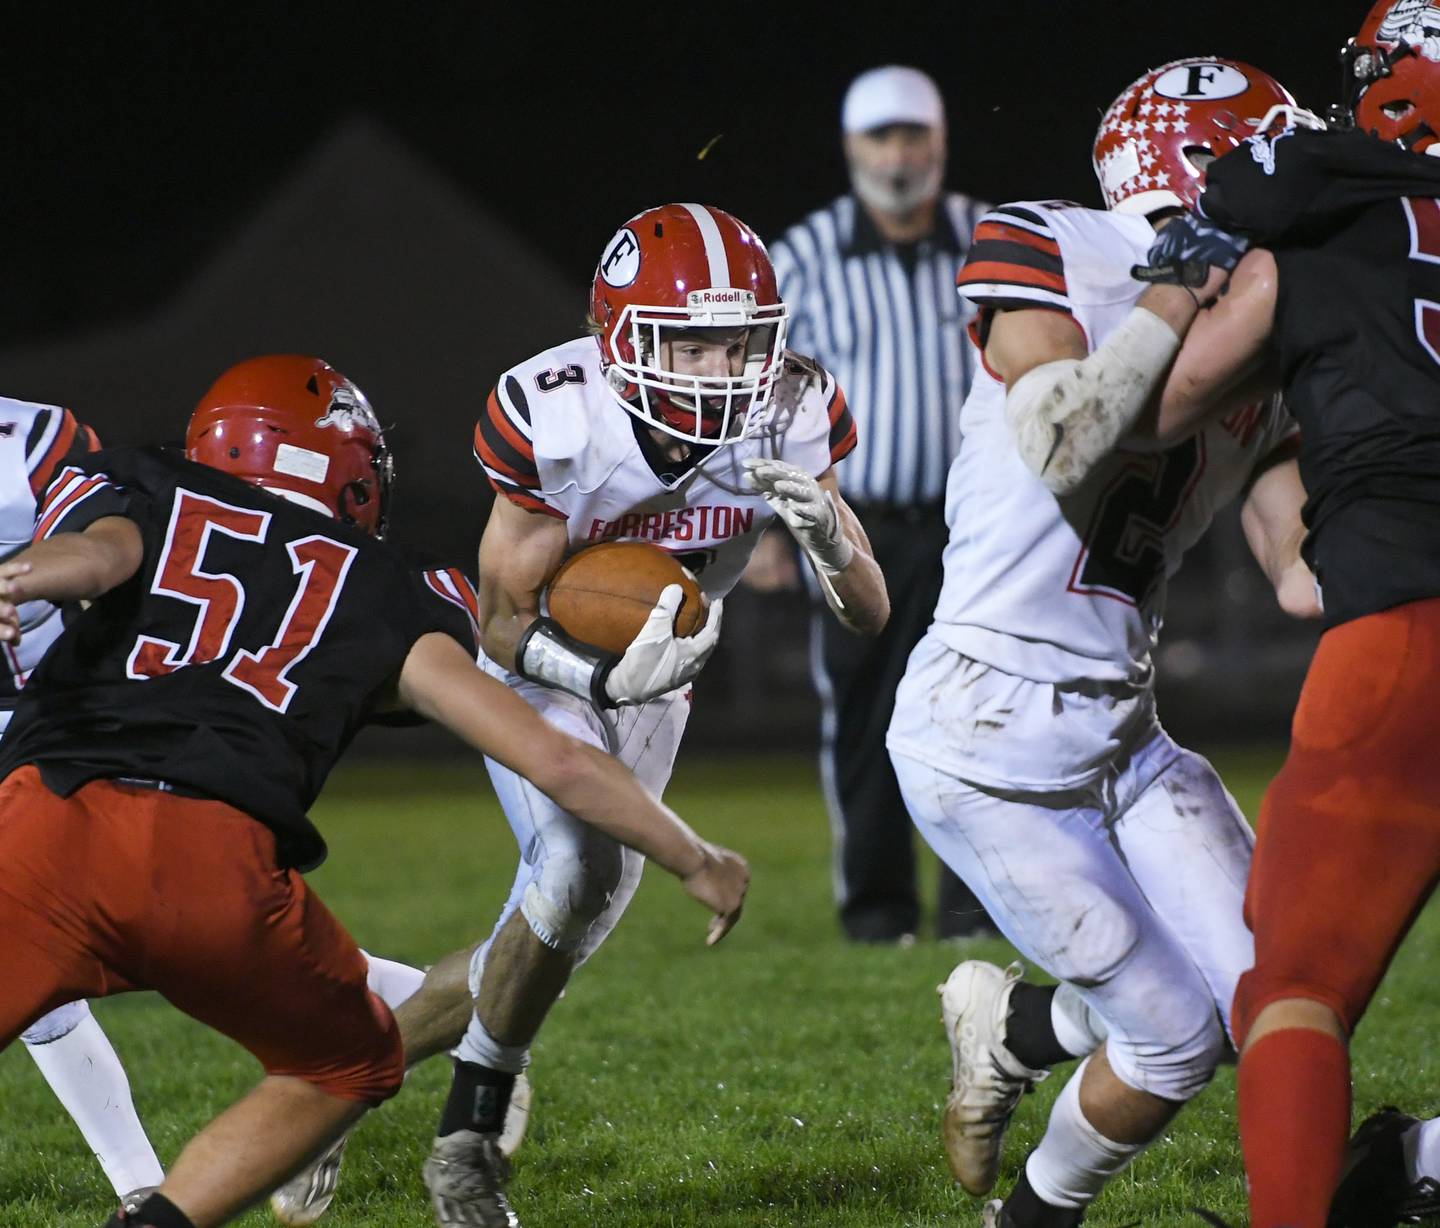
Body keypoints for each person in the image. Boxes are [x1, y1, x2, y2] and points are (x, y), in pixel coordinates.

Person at [0, 354, 749, 1228]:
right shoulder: (389, 588)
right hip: (216, 869)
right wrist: (693, 856)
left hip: (45, 829)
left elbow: (95, 557)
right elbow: (558, 759)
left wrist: (18, 576)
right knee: (349, 1066)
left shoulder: (149, 485)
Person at [883, 60, 1318, 1226]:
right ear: (1202, 176)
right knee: (1173, 1038)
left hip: (1125, 727)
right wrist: (1179, 295)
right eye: (1274, 159)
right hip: (982, 733)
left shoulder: (1273, 336)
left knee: (1266, 1002)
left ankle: (1022, 1026)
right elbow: (1070, 437)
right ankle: (1029, 1218)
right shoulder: (1051, 241)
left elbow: (1298, 571)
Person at [420, 202, 888, 1227]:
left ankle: (339, 1061)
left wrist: (834, 543)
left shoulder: (797, 408)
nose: (724, 369)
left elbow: (871, 615)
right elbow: (498, 626)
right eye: (692, 343)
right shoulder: (557, 415)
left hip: (662, 670)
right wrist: (593, 683)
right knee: (577, 872)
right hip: (544, 664)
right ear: (621, 342)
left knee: (558, 926)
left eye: (741, 342)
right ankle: (466, 1132)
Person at [1073, 5, 1440, 1222]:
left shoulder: (1309, 227)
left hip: (1407, 634)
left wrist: (1187, 278)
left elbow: (1146, 413)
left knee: (1293, 988)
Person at [766, 65, 994, 943]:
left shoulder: (991, 236)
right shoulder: (805, 255)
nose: (897, 155)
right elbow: (762, 396)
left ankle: (978, 908)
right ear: (851, 146)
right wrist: (773, 523)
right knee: (864, 715)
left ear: (939, 141)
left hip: (978, 524)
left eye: (912, 136)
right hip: (854, 526)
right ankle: (879, 912)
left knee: (979, 708)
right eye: (880, 138)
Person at [0, 399, 167, 1212]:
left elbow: (104, 547)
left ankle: (444, 1022)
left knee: (179, 933)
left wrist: (15, 575)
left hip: (59, 725)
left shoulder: (30, 435)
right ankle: (144, 1192)